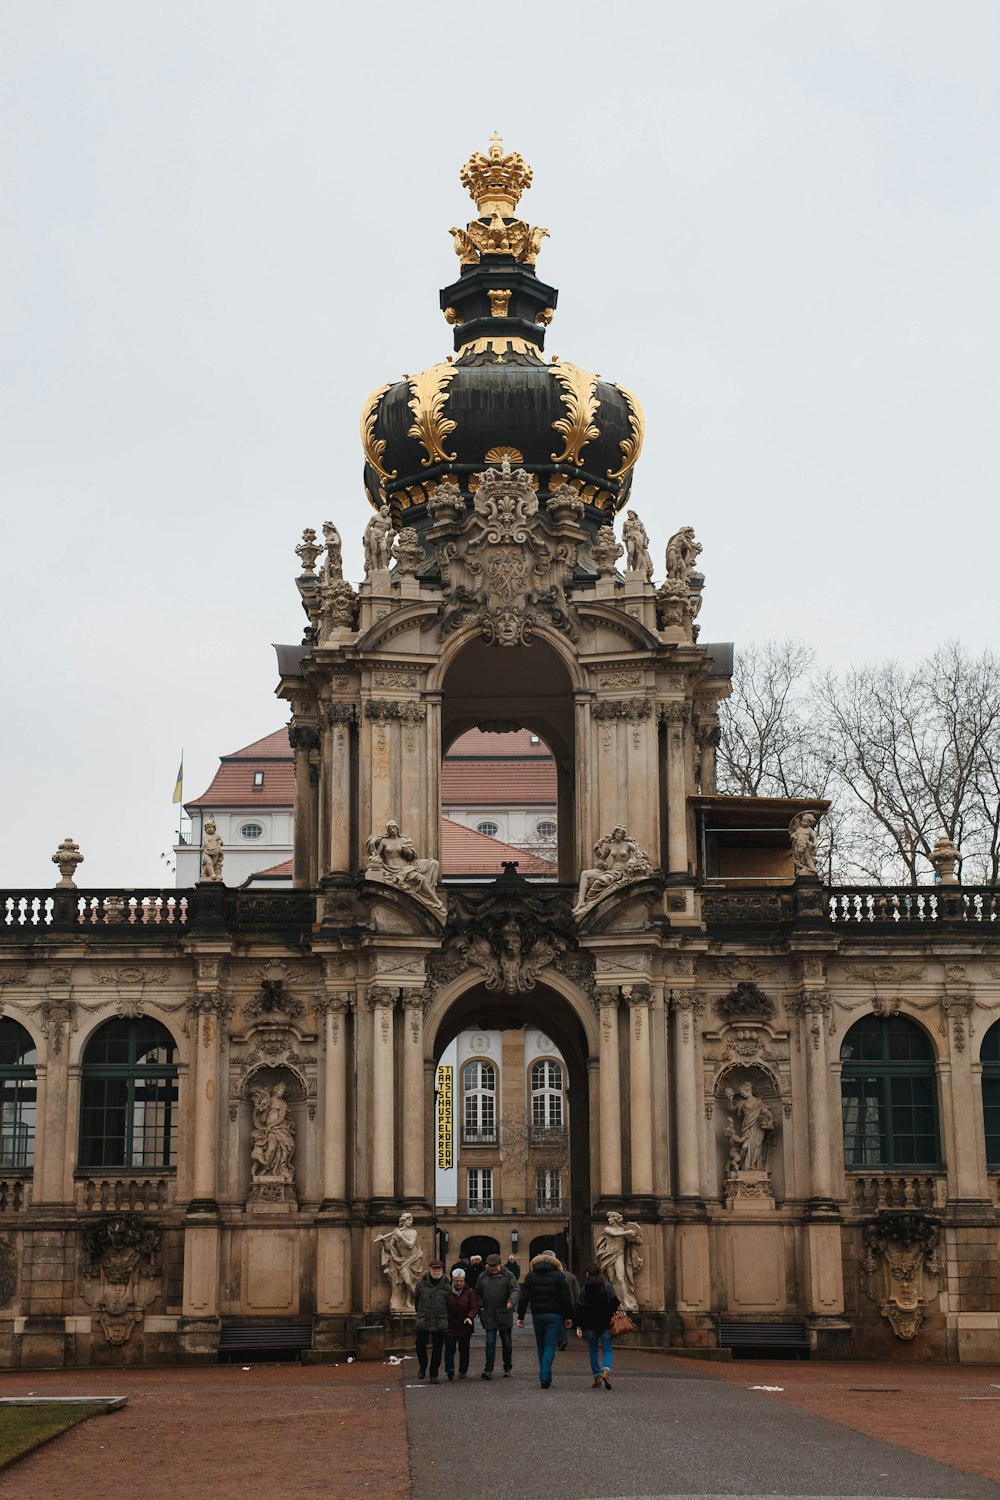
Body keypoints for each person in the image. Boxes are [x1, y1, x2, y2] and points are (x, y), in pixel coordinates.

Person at [516, 1253, 573, 1388]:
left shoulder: (530, 1276)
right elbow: (566, 1297)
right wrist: (569, 1316)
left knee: (541, 1345)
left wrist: (521, 1316)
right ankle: (545, 1375)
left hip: (537, 1315)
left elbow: (524, 1298)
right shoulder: (559, 1276)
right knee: (549, 1346)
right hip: (554, 1314)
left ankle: (544, 1374)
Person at [575, 1262, 619, 1389]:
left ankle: (597, 1375)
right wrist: (609, 1312)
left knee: (593, 1350)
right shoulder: (607, 1286)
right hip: (605, 1323)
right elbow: (615, 1303)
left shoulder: (585, 1288)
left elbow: (580, 1308)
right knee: (607, 1349)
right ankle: (606, 1369)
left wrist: (579, 1326)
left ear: (588, 1274)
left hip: (590, 1324)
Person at [477, 1252, 518, 1379]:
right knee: (490, 1342)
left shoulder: (509, 1275)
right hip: (489, 1312)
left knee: (506, 1342)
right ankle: (488, 1369)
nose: (493, 1268)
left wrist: (511, 1301)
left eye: (495, 1265)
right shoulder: (483, 1276)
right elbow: (477, 1292)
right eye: (490, 1266)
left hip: (504, 1311)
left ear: (500, 1264)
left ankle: (507, 1367)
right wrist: (481, 1305)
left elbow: (515, 1289)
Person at [413, 1260, 451, 1383]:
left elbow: (449, 1304)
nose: (436, 1271)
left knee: (438, 1348)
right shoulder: (421, 1284)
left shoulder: (446, 1286)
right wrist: (420, 1313)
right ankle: (423, 1366)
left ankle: (433, 1373)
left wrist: (445, 1316)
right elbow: (416, 1301)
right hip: (424, 1319)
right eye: (434, 1269)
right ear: (430, 1269)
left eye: (439, 1269)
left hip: (439, 1320)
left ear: (442, 1270)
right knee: (420, 1346)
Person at [443, 1267, 477, 1381]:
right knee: (450, 1348)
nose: (459, 1283)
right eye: (456, 1281)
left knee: (464, 1349)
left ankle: (463, 1370)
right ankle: (450, 1369)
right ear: (452, 1280)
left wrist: (469, 1317)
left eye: (461, 1281)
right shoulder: (447, 1291)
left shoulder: (469, 1292)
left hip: (464, 1325)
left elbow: (474, 1306)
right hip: (450, 1324)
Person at [548, 1254, 580, 1353]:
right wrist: (577, 1303)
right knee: (564, 1320)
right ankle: (563, 1338)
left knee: (558, 1322)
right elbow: (576, 1291)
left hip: (556, 1303)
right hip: (570, 1302)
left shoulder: (554, 1275)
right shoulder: (572, 1276)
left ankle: (561, 1339)